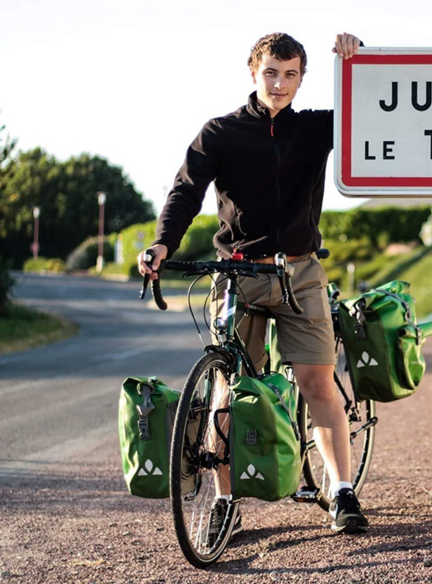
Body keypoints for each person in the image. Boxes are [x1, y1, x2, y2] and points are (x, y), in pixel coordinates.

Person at [137, 31, 367, 535]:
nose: (280, 83)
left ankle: (343, 492)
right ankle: (224, 501)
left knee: (317, 382)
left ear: (303, 77)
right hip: (237, 273)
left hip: (299, 272)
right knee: (228, 390)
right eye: (271, 72)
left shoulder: (314, 130)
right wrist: (162, 245)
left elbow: (373, 108)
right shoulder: (219, 133)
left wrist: (358, 58)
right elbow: (185, 191)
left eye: (291, 74)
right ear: (252, 71)